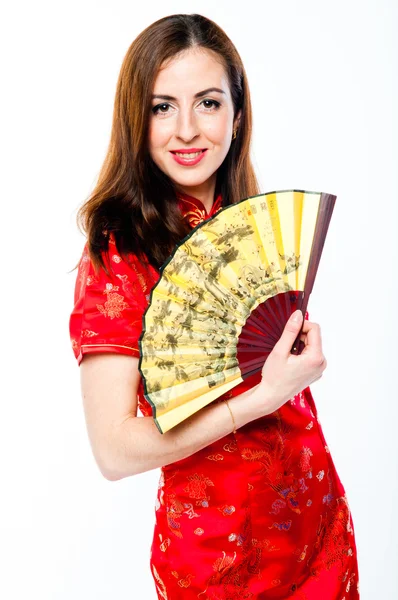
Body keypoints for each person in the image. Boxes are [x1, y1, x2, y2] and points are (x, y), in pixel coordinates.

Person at [68, 13, 360, 599]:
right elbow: (114, 450)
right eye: (161, 107)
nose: (186, 130)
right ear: (137, 120)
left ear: (237, 114)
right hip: (219, 559)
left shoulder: (249, 221)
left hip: (319, 530)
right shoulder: (119, 254)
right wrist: (262, 398)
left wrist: (299, 365)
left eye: (207, 103)